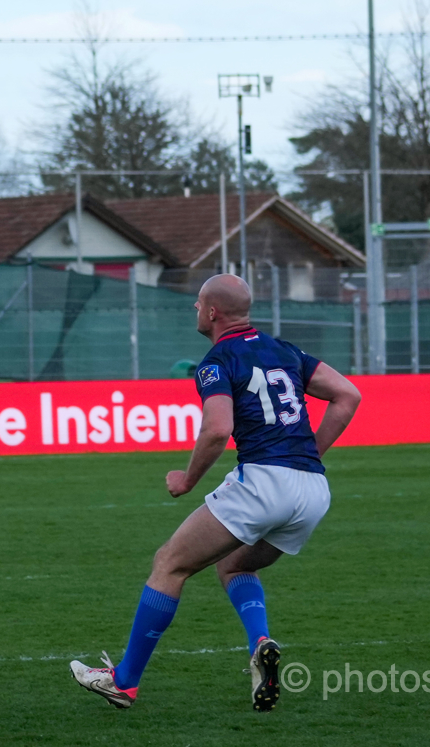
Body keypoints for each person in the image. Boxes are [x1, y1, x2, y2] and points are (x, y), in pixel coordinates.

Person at [70, 274, 361, 712]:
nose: (194, 308)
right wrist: (308, 454)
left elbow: (217, 429)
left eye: (198, 303)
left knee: (169, 564)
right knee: (234, 564)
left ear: (211, 312)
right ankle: (260, 643)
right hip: (313, 489)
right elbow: (348, 395)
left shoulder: (217, 360)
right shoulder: (285, 350)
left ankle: (123, 682)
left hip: (263, 483)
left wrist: (187, 480)